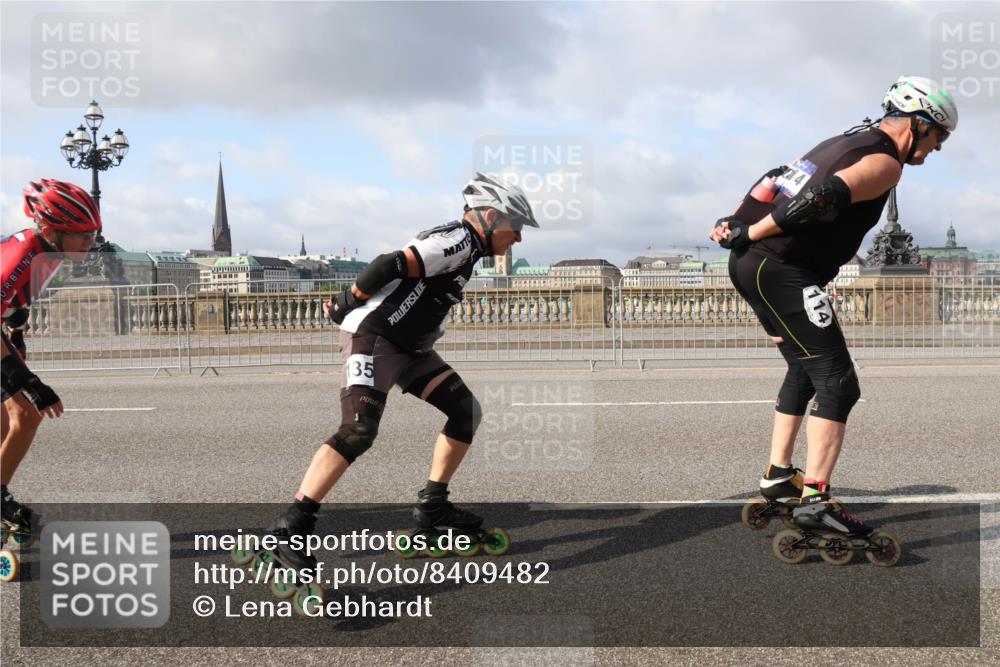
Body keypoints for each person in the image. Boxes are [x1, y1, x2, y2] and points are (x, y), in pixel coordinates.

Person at [710, 76, 956, 536]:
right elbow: (821, 197)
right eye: (939, 135)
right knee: (839, 383)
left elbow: (773, 179)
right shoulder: (885, 162)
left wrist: (736, 221)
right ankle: (815, 501)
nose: (938, 147)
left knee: (805, 370)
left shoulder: (840, 140)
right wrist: (753, 231)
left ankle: (780, 477)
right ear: (918, 125)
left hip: (756, 268)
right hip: (782, 269)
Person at [267, 172, 539, 568]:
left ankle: (434, 507)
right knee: (358, 430)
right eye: (516, 228)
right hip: (376, 338)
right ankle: (290, 529)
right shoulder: (458, 241)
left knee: (466, 412)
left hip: (410, 348)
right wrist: (348, 299)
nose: (518, 239)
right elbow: (389, 264)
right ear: (493, 217)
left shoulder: (469, 249)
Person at [1, 179, 100, 540]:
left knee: (6, 422)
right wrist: (26, 379)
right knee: (26, 414)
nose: (91, 242)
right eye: (81, 235)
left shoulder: (50, 252)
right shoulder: (25, 251)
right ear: (49, 229)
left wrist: (16, 331)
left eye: (93, 233)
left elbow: (12, 302)